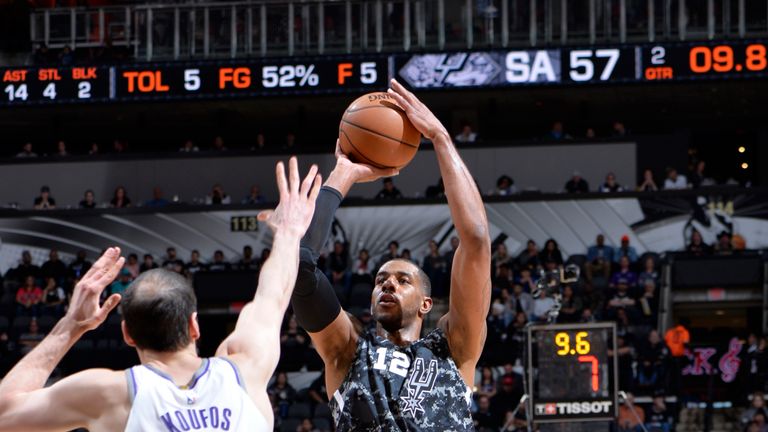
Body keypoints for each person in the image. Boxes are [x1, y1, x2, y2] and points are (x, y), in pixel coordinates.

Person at [0, 157, 322, 431]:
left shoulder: (109, 393)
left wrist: (71, 325)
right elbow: (273, 294)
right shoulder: (246, 369)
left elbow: (4, 413)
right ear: (194, 326)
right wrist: (289, 233)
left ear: (127, 334)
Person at [290, 80, 491, 430]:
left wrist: (440, 138)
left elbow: (475, 239)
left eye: (402, 280)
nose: (388, 285)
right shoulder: (349, 349)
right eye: (381, 279)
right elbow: (301, 266)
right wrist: (343, 174)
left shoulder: (455, 348)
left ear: (427, 303)